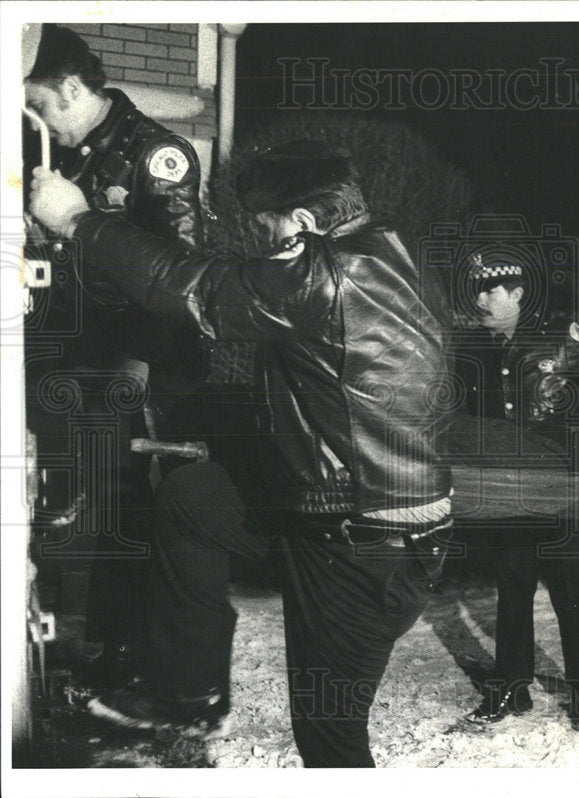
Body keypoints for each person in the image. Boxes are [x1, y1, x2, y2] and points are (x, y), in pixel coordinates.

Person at [30, 141, 454, 768]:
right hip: (346, 513)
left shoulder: (323, 274)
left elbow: (189, 285)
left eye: (269, 232)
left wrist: (77, 220)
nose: (264, 249)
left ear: (306, 224)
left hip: (361, 546)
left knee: (331, 741)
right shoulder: (385, 251)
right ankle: (190, 693)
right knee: (194, 498)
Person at [25, 24, 205, 685]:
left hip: (142, 369)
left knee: (130, 515)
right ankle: (107, 648)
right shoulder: (76, 155)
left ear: (71, 88)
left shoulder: (158, 156)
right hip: (88, 359)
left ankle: (136, 660)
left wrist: (138, 368)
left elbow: (182, 278)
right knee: (98, 512)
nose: (39, 122)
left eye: (41, 105)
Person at [452, 253, 579, 731]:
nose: (481, 300)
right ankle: (512, 685)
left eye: (492, 291)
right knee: (512, 585)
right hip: (507, 494)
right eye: (478, 291)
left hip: (559, 492)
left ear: (517, 295)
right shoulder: (473, 350)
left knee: (570, 587)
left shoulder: (559, 342)